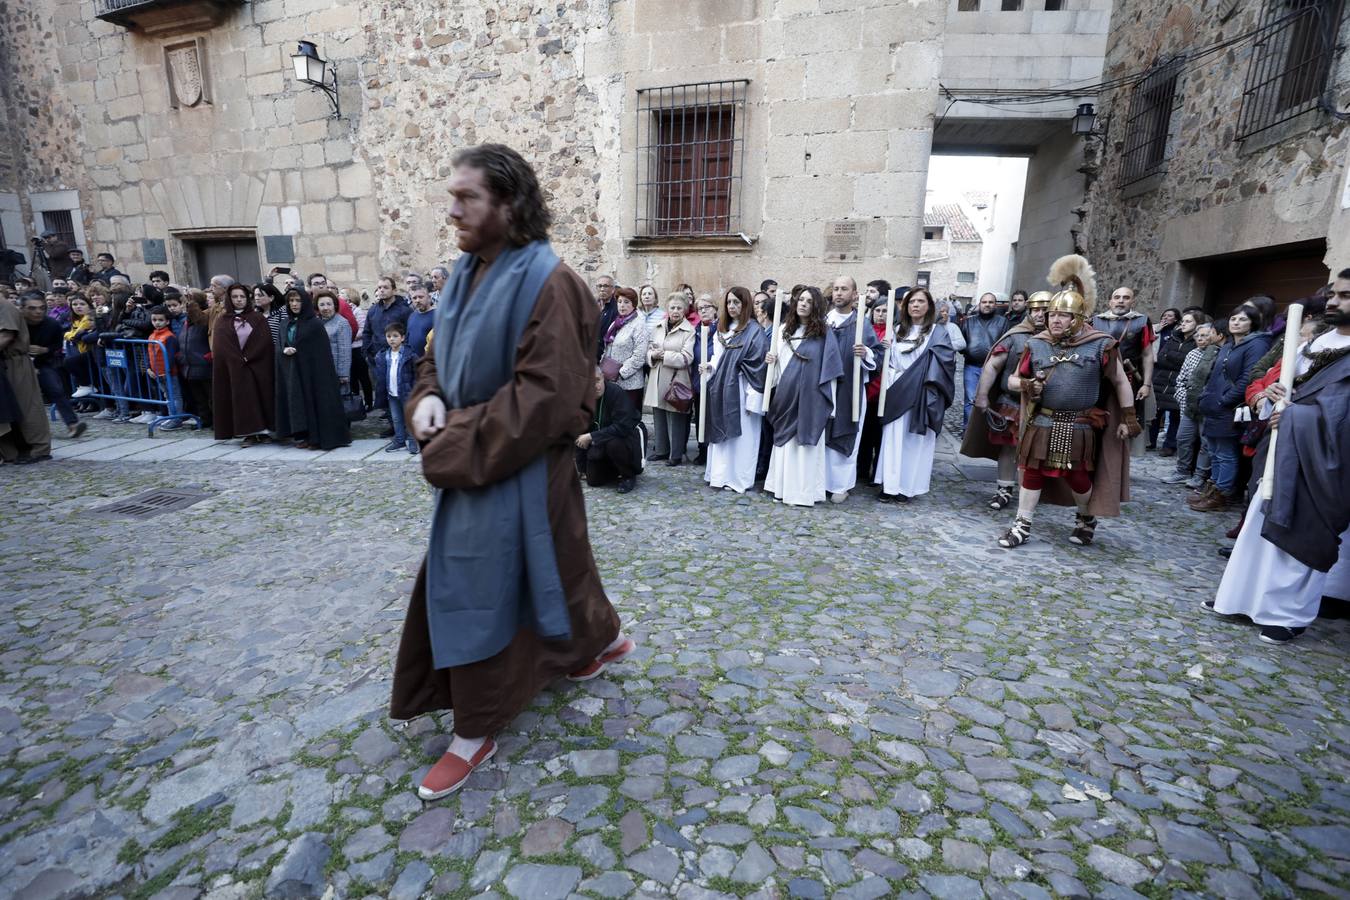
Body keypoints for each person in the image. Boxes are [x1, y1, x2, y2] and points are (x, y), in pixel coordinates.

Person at [390, 144, 630, 800]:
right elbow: (436, 356)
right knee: (556, 569)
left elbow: (545, 400)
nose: (453, 210)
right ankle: (594, 644)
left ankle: (475, 728)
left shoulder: (552, 282)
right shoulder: (465, 273)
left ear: (509, 203)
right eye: (452, 196)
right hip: (484, 456)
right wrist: (428, 396)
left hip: (515, 465)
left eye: (466, 198)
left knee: (480, 587)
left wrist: (448, 449)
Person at [1206, 271, 1350, 643]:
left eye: (1346, 296)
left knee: (1301, 528)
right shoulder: (1316, 342)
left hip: (1323, 460)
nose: (1333, 302)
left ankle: (1286, 614)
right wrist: (1274, 392)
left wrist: (1298, 414)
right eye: (1333, 294)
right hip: (1282, 446)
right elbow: (1289, 385)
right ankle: (1241, 598)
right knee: (1259, 519)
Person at [997, 255, 1140, 549]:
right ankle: (1022, 524)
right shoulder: (1036, 344)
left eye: (1063, 316)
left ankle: (1086, 518)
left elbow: (1120, 381)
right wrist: (1026, 384)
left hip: (1079, 424)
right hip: (1042, 420)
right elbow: (1011, 380)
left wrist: (1129, 417)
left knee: (1077, 477)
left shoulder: (1101, 344)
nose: (1055, 320)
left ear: (1078, 319)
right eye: (1052, 315)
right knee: (1032, 472)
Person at [961, 291, 1051, 509]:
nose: (1040, 315)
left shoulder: (1060, 340)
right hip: (1012, 402)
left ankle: (1031, 493)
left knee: (1037, 452)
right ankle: (1004, 489)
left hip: (1046, 407)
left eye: (1044, 310)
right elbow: (993, 364)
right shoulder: (1016, 335)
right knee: (1009, 448)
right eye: (1036, 310)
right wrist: (982, 395)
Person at [761, 285, 845, 507]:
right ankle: (780, 486)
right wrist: (772, 360)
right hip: (786, 394)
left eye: (809, 301)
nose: (803, 304)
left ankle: (803, 491)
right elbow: (778, 365)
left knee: (804, 444)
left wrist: (831, 404)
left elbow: (831, 371)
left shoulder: (824, 335)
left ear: (816, 306)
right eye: (800, 300)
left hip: (812, 397)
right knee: (785, 442)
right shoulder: (782, 331)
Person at [875, 288, 956, 501]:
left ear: (929, 306)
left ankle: (906, 488)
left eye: (920, 301)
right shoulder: (897, 330)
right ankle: (889, 485)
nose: (915, 305)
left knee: (913, 440)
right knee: (893, 438)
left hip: (922, 393)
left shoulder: (938, 333)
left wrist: (922, 378)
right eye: (911, 302)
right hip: (897, 389)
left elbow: (945, 363)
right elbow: (889, 363)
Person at [1190, 305, 1274, 512]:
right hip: (1213, 406)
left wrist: (1225, 400)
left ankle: (1222, 494)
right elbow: (1214, 375)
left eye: (1242, 320)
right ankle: (1212, 489)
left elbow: (1249, 376)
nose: (1235, 322)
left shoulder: (1257, 345)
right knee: (1214, 451)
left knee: (1226, 453)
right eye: (1233, 318)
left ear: (1252, 323)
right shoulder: (1227, 345)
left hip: (1230, 407)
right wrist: (1206, 397)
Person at [702, 286, 768, 493]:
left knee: (743, 437)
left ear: (745, 304)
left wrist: (752, 396)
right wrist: (710, 366)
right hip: (721, 388)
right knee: (721, 433)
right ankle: (719, 475)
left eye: (737, 302)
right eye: (729, 302)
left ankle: (738, 478)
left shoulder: (754, 332)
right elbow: (718, 358)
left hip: (742, 389)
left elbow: (758, 365)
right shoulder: (723, 330)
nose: (732, 306)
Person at [823, 275, 880, 502]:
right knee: (823, 433)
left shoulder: (861, 324)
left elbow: (877, 353)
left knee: (847, 431)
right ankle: (821, 479)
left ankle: (840, 485)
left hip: (850, 388)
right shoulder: (823, 321)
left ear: (855, 294)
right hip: (825, 387)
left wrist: (866, 353)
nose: (838, 293)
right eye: (836, 288)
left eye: (844, 289)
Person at [274, 287, 350, 451]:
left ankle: (316, 437)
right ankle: (304, 435)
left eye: (298, 300)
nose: (294, 304)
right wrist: (284, 350)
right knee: (299, 404)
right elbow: (280, 345)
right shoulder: (285, 323)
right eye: (291, 301)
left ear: (305, 302)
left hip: (313, 373)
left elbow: (321, 352)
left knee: (313, 402)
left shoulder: (314, 324)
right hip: (293, 372)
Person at [211, 283, 275, 444]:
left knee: (261, 396)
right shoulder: (222, 320)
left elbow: (264, 341)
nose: (239, 300)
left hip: (257, 365)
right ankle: (248, 432)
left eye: (242, 296)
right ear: (229, 299)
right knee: (242, 399)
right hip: (235, 367)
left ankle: (264, 431)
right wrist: (236, 359)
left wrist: (250, 356)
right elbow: (221, 345)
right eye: (235, 297)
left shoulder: (257, 318)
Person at [1091, 286, 1155, 447]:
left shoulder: (1141, 321)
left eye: (1126, 298)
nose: (1120, 301)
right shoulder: (1095, 321)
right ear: (1110, 302)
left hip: (1130, 378)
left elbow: (1147, 355)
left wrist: (1146, 384)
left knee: (1125, 421)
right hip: (1098, 379)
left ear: (1133, 301)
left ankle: (1117, 463)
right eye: (1117, 297)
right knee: (1095, 419)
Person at [22, 293, 86, 438]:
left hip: (43, 362)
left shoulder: (51, 324)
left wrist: (45, 350)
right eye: (32, 308)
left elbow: (57, 344)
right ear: (23, 309)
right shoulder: (17, 323)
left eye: (41, 308)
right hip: (18, 364)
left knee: (56, 390)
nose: (37, 312)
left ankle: (72, 424)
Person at [643, 291, 696, 465]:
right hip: (657, 376)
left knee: (675, 417)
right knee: (658, 415)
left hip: (676, 378)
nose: (675, 311)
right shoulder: (658, 327)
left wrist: (663, 355)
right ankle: (661, 450)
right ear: (667, 308)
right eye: (672, 307)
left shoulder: (689, 331)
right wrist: (652, 355)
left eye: (679, 308)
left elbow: (686, 357)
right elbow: (649, 350)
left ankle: (675, 454)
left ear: (685, 310)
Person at [1163, 317, 1216, 487]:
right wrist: (1182, 397)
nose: (1201, 339)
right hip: (1189, 405)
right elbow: (1181, 379)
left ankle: (1200, 474)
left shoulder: (1218, 354)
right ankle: (1182, 471)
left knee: (1205, 443)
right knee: (1183, 438)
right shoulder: (1192, 354)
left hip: (1207, 406)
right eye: (1198, 336)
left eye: (1205, 335)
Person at [0, 291, 53, 464]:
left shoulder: (5, 307)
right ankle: (15, 450)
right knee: (10, 408)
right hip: (6, 361)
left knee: (27, 405)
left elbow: (6, 335)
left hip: (15, 361)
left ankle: (39, 448)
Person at [576, 366, 643, 493]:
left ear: (603, 378)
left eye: (597, 380)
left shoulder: (616, 392)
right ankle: (615, 471)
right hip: (600, 444)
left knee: (614, 444)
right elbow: (579, 433)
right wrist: (582, 469)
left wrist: (591, 436)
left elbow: (623, 427)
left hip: (624, 441)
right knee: (593, 481)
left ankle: (628, 476)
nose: (596, 386)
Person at [1149, 308, 1198, 455]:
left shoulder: (1197, 341)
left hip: (1178, 382)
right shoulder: (1173, 337)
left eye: (1188, 321)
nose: (1184, 324)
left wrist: (1172, 358)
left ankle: (1170, 445)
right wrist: (1177, 359)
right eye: (1183, 321)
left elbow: (1189, 363)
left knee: (1175, 416)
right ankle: (1150, 441)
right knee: (1155, 413)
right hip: (1161, 380)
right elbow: (1161, 358)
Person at [959, 292, 1008, 429]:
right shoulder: (969, 321)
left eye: (990, 302)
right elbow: (961, 342)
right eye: (984, 302)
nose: (987, 305)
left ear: (995, 305)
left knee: (988, 399)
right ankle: (968, 429)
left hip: (993, 368)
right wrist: (969, 351)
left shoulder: (1003, 322)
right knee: (970, 399)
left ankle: (983, 432)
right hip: (971, 366)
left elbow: (1005, 343)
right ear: (979, 304)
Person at [856, 296, 891, 484]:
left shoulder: (894, 333)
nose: (880, 314)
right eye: (877, 310)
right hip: (866, 388)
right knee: (864, 432)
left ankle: (877, 472)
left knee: (880, 434)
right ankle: (861, 468)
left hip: (883, 390)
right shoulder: (865, 330)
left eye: (885, 311)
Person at [600, 286, 648, 410]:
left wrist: (620, 373)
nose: (622, 305)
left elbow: (639, 356)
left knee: (628, 420)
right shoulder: (616, 323)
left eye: (626, 302)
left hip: (629, 384)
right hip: (611, 381)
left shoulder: (639, 324)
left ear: (634, 304)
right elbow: (608, 348)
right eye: (620, 302)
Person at [374, 321, 418, 454]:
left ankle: (412, 441)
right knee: (396, 418)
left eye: (395, 336)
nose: (391, 339)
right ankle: (399, 440)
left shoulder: (410, 355)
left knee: (409, 417)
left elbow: (417, 374)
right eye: (388, 336)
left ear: (402, 337)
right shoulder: (384, 355)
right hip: (392, 393)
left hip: (407, 392)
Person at [180, 290, 213, 428]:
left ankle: (216, 421)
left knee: (210, 396)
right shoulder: (186, 322)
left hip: (203, 363)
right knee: (199, 397)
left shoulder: (204, 318)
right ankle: (205, 420)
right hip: (190, 364)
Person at [315, 289, 353, 397]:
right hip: (320, 371)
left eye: (329, 304)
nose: (325, 308)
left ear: (334, 306)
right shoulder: (316, 322)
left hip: (336, 372)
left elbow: (345, 350)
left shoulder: (341, 323)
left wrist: (343, 374)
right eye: (322, 305)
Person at [406, 282, 436, 359]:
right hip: (413, 362)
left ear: (429, 297)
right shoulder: (412, 316)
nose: (417, 300)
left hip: (430, 363)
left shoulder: (437, 315)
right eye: (414, 298)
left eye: (421, 297)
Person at [594, 274, 617, 361]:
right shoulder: (592, 305)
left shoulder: (617, 308)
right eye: (599, 286)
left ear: (613, 289)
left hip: (606, 355)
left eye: (606, 286)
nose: (602, 289)